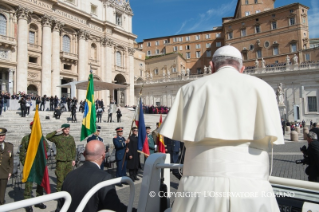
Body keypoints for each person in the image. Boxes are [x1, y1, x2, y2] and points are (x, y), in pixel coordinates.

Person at [159, 45, 284, 212]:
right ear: (242, 68)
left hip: (198, 188)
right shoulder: (264, 88)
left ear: (211, 67)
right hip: (254, 187)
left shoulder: (188, 89)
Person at [55, 140, 129, 212]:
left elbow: (60, 206)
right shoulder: (105, 178)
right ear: (103, 156)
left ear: (84, 154)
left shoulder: (70, 175)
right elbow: (114, 207)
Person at [19, 122, 48, 212]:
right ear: (31, 128)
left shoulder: (41, 138)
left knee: (40, 184)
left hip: (39, 165)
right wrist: (25, 163)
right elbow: (22, 152)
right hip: (30, 165)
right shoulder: (26, 138)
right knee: (29, 185)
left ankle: (38, 201)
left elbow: (46, 148)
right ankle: (27, 204)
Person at [46, 124, 76, 191]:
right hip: (61, 161)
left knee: (68, 178)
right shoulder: (58, 137)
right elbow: (47, 137)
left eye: (68, 129)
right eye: (65, 129)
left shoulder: (71, 138)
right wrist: (56, 131)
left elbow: (73, 149)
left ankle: (67, 192)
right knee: (60, 178)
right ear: (62, 130)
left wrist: (73, 159)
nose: (67, 130)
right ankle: (59, 194)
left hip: (69, 161)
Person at [0, 128, 13, 205]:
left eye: (2, 135)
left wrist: (10, 172)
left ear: (5, 136)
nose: (1, 137)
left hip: (4, 172)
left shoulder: (9, 146)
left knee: (2, 193)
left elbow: (11, 160)